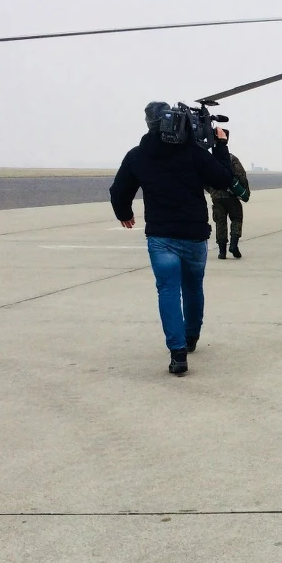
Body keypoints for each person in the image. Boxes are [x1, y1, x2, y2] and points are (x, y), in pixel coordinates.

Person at [110, 102, 235, 376]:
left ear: (148, 124)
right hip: (193, 234)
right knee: (193, 287)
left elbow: (119, 190)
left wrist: (124, 213)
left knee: (168, 290)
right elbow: (224, 178)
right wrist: (221, 145)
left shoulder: (138, 155)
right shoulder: (193, 152)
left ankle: (178, 354)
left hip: (161, 236)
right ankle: (191, 338)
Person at [207, 151, 250, 259]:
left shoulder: (210, 159)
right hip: (231, 197)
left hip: (217, 197)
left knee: (220, 223)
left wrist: (212, 191)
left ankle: (222, 252)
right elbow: (241, 176)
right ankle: (234, 245)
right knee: (237, 218)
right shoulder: (231, 158)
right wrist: (243, 191)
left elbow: (204, 179)